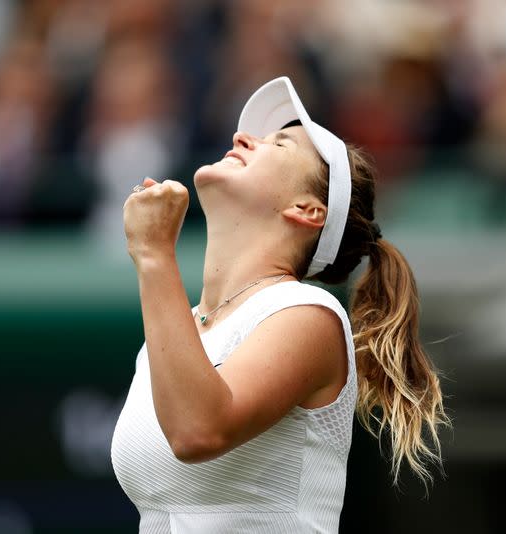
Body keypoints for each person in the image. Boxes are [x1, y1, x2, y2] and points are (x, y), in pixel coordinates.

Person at [111, 77, 449, 533]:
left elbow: (197, 431)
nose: (241, 137)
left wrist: (154, 255)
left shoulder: (308, 315)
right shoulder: (173, 333)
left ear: (307, 209)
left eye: (280, 142)